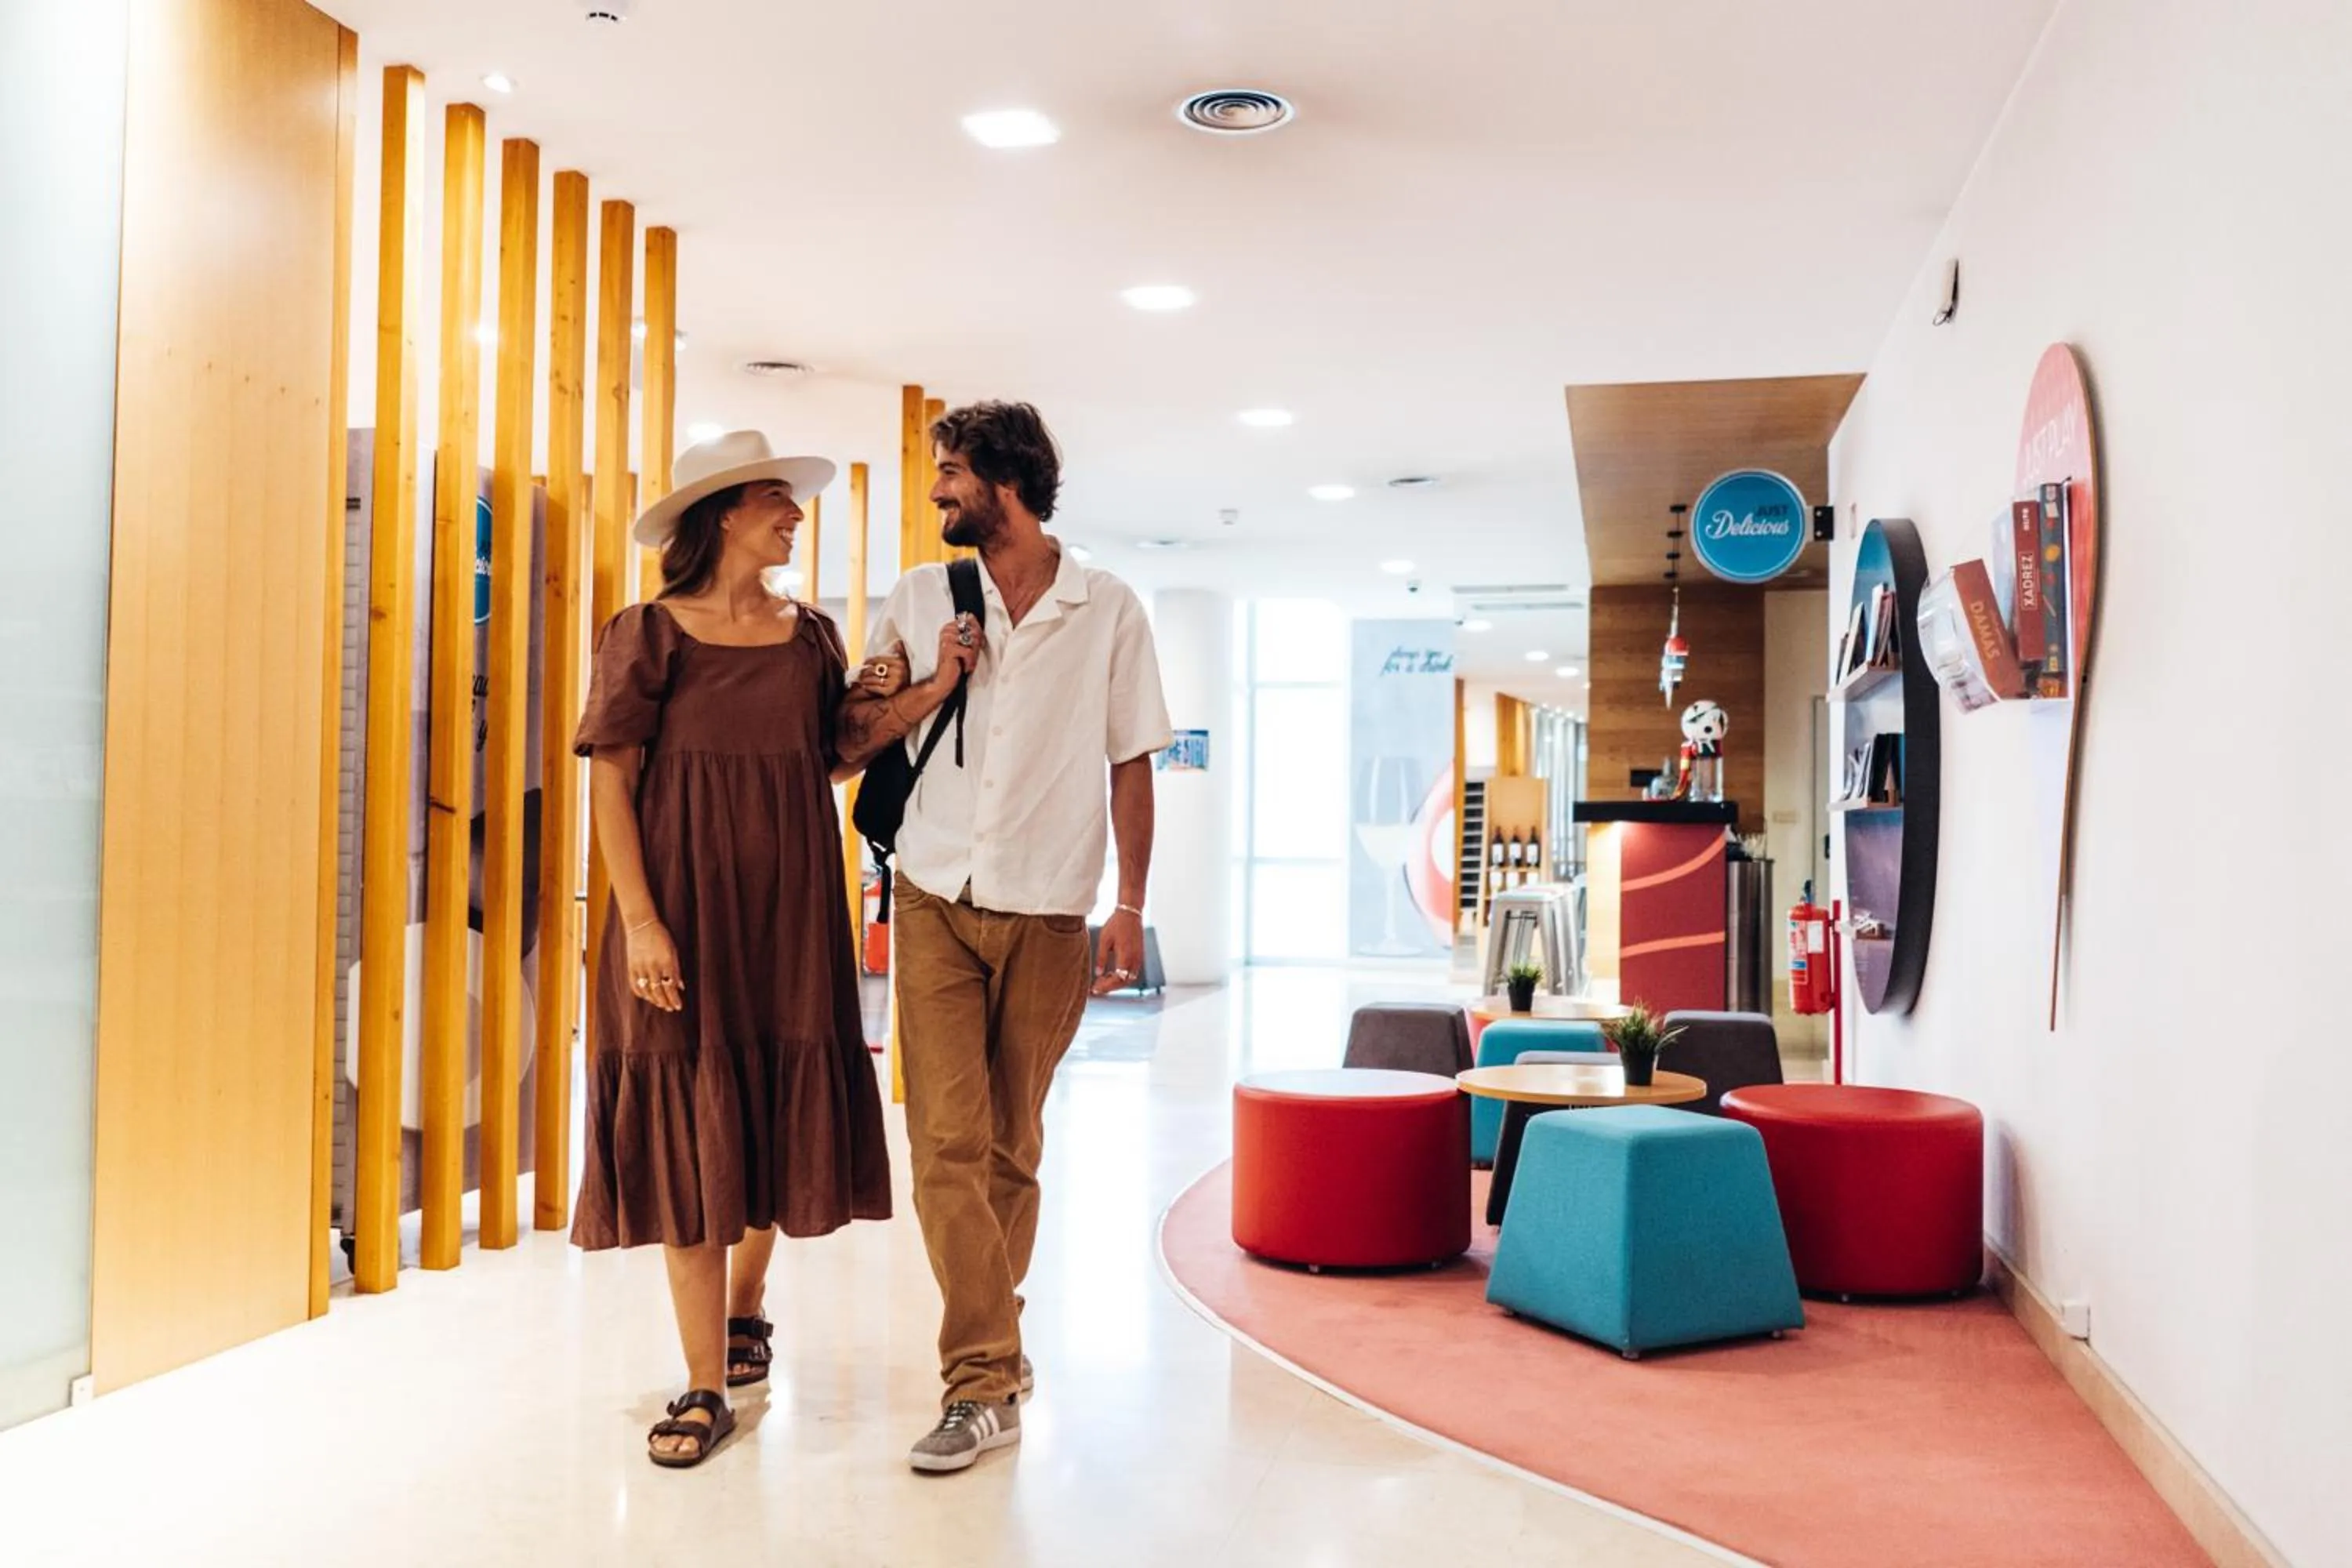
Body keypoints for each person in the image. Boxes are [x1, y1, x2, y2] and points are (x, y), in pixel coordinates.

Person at [838, 401, 1172, 1474]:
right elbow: (848, 740)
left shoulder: (1106, 607)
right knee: (944, 1142)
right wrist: (931, 682)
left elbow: (1131, 761)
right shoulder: (918, 596)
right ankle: (981, 1380)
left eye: (951, 472)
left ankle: (996, 1345)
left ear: (1007, 480)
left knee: (1010, 1147)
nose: (937, 490)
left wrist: (1129, 906)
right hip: (933, 891)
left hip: (1050, 906)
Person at [572, 430, 893, 1470]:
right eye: (774, 499)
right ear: (721, 516)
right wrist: (641, 921)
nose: (795, 514)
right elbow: (611, 780)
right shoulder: (647, 634)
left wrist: (904, 697)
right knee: (691, 1128)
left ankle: (747, 1308)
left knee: (770, 1112)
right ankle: (705, 1383)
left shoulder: (810, 638)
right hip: (681, 906)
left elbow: (824, 759)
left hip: (791, 911)